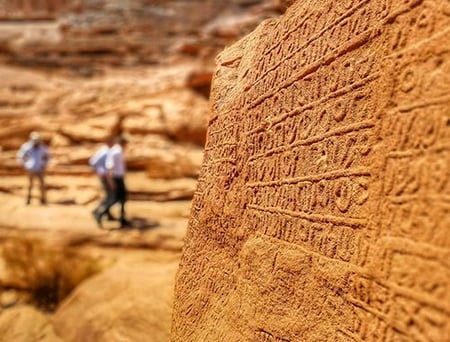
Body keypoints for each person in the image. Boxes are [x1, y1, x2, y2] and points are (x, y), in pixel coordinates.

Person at [93, 135, 131, 228]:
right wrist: (111, 181)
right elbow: (109, 167)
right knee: (115, 198)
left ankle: (122, 218)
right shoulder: (116, 152)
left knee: (121, 199)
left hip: (117, 177)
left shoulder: (117, 151)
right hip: (115, 178)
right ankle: (100, 213)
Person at [17, 131, 50, 205]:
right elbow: (20, 157)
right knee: (29, 185)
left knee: (42, 185)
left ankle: (43, 200)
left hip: (40, 169)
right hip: (30, 169)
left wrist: (44, 165)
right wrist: (25, 165)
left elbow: (47, 157)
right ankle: (28, 200)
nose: (36, 142)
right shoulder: (26, 147)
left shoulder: (42, 148)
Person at [89, 137, 116, 221]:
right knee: (110, 196)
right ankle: (97, 211)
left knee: (108, 195)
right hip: (105, 176)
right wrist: (101, 171)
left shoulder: (104, 150)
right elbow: (93, 162)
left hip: (104, 175)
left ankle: (108, 214)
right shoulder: (106, 151)